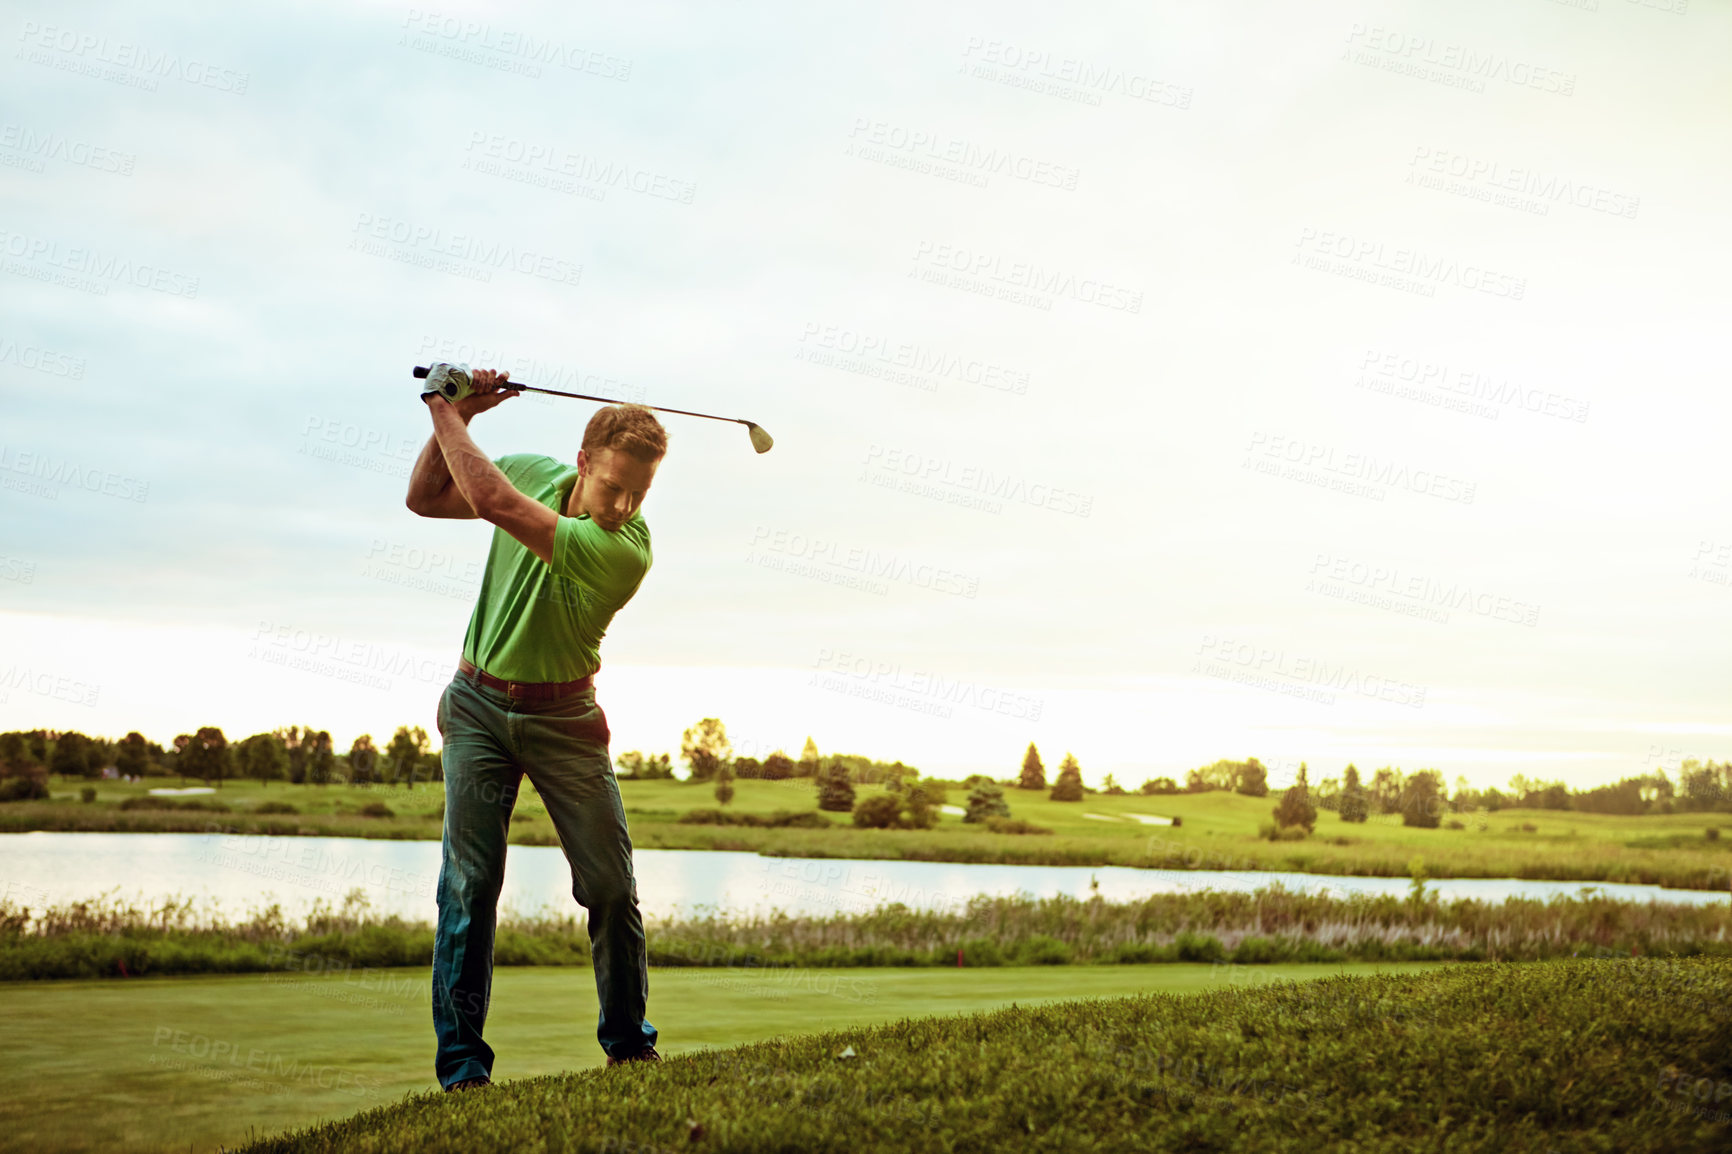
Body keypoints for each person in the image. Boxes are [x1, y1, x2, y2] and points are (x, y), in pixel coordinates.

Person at [406, 367, 667, 1090]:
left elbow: (491, 500)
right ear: (582, 463)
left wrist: (443, 406)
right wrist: (462, 420)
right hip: (478, 708)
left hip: (566, 719)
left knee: (610, 886)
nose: (622, 505)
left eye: (639, 494)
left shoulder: (624, 550)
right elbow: (425, 497)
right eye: (612, 486)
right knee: (470, 886)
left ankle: (628, 1044)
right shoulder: (531, 473)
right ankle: (462, 1072)